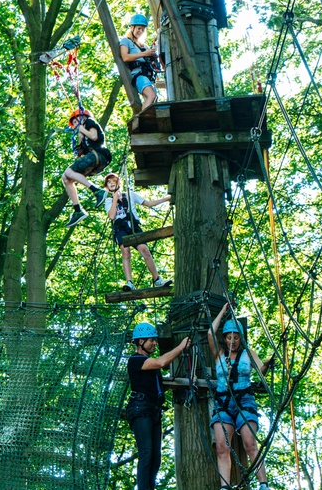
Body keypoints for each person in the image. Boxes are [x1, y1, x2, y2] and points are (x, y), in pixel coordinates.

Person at [208, 302, 274, 490]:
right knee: (222, 446)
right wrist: (223, 310)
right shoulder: (219, 355)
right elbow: (209, 333)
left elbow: (260, 370)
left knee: (249, 443)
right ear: (225, 339)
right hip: (223, 403)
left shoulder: (248, 354)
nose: (233, 341)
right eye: (230, 337)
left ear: (241, 338)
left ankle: (263, 484)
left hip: (244, 401)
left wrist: (268, 363)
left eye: (236, 337)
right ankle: (225, 486)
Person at [126, 321, 191, 490]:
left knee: (155, 458)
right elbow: (162, 362)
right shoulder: (135, 360)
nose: (154, 343)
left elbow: (164, 363)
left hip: (153, 411)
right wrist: (180, 347)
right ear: (141, 342)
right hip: (140, 409)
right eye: (151, 340)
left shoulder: (149, 361)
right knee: (146, 454)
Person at [103, 172, 172, 291]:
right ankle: (129, 282)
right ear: (107, 188)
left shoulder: (130, 195)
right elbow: (111, 216)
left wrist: (167, 198)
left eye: (114, 181)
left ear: (119, 183)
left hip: (133, 226)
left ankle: (157, 279)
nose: (111, 183)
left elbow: (149, 204)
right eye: (109, 183)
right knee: (125, 252)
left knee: (145, 250)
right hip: (121, 228)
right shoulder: (109, 201)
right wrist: (115, 199)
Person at [62, 108, 111, 227]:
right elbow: (82, 153)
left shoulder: (89, 122)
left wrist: (81, 129)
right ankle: (77, 210)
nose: (74, 125)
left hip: (99, 154)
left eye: (75, 121)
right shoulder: (83, 134)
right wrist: (80, 140)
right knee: (66, 178)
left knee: (68, 171)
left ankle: (97, 191)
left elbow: (94, 137)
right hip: (95, 160)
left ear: (82, 117)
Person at [120, 14, 159, 111]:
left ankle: (150, 120)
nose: (140, 31)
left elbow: (150, 60)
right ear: (132, 27)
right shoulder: (126, 41)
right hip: (138, 75)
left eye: (143, 29)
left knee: (154, 100)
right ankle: (143, 120)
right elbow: (125, 57)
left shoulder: (144, 46)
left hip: (148, 76)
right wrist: (145, 54)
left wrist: (153, 57)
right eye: (139, 28)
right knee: (151, 95)